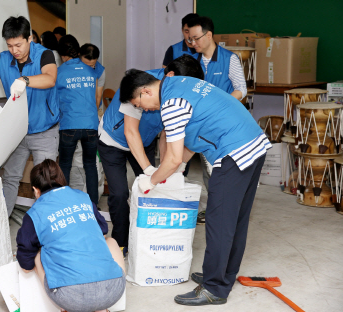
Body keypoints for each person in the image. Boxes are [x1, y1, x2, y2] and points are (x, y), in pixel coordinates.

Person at [119, 70, 270, 306]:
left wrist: (152, 180)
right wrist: (176, 172)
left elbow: (172, 158)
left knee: (219, 221)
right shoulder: (181, 83)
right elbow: (190, 142)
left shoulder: (171, 103)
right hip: (252, 145)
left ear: (146, 91)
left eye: (141, 104)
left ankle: (214, 288)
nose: (146, 110)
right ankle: (222, 275)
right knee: (235, 219)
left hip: (233, 152)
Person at [98, 55, 204, 254]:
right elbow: (130, 132)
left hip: (144, 140)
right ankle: (121, 242)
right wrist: (148, 169)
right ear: (171, 75)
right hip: (114, 139)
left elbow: (167, 134)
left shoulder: (174, 93)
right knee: (120, 193)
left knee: (155, 187)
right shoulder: (140, 85)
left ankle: (149, 237)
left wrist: (168, 169)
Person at [0, 16, 59, 216]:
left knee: (46, 182)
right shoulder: (3, 59)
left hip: (44, 131)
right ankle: (2, 222)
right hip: (17, 130)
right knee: (10, 177)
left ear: (29, 39)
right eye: (10, 45)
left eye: (18, 45)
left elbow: (50, 79)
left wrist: (25, 80)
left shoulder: (45, 55)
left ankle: (45, 226)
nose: (14, 50)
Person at [16, 159, 125, 312]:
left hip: (70, 298)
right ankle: (100, 308)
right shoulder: (83, 197)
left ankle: (64, 307)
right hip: (113, 292)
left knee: (36, 254)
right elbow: (102, 229)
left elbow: (25, 264)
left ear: (35, 190)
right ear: (61, 180)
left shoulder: (35, 213)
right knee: (111, 241)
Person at [186, 16, 249, 223]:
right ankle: (215, 210)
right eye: (190, 39)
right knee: (208, 169)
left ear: (209, 34)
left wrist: (220, 107)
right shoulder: (193, 62)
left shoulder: (228, 58)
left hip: (225, 125)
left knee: (226, 169)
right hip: (204, 126)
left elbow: (241, 89)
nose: (192, 43)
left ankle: (229, 211)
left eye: (196, 38)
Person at [56, 41, 105, 205]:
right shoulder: (93, 69)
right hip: (91, 124)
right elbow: (97, 94)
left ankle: (64, 203)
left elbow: (55, 99)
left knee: (64, 165)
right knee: (90, 164)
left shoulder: (59, 71)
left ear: (63, 56)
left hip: (69, 123)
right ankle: (93, 205)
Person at [79, 43, 105, 108]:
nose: (89, 69)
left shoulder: (100, 71)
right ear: (79, 56)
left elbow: (98, 96)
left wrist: (94, 113)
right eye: (86, 65)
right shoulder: (71, 68)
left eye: (92, 65)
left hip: (91, 106)